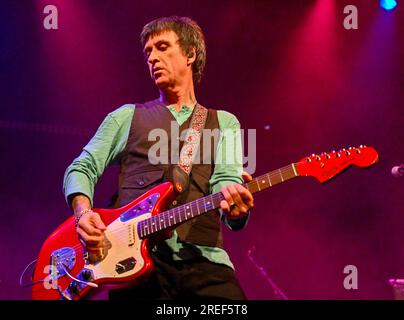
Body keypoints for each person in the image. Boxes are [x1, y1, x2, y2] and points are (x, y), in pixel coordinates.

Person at [63, 16, 254, 300]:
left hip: (203, 264)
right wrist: (83, 213)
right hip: (133, 268)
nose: (152, 57)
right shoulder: (126, 117)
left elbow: (227, 184)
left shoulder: (224, 122)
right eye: (148, 52)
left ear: (190, 54)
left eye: (162, 47)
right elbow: (82, 167)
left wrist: (236, 210)